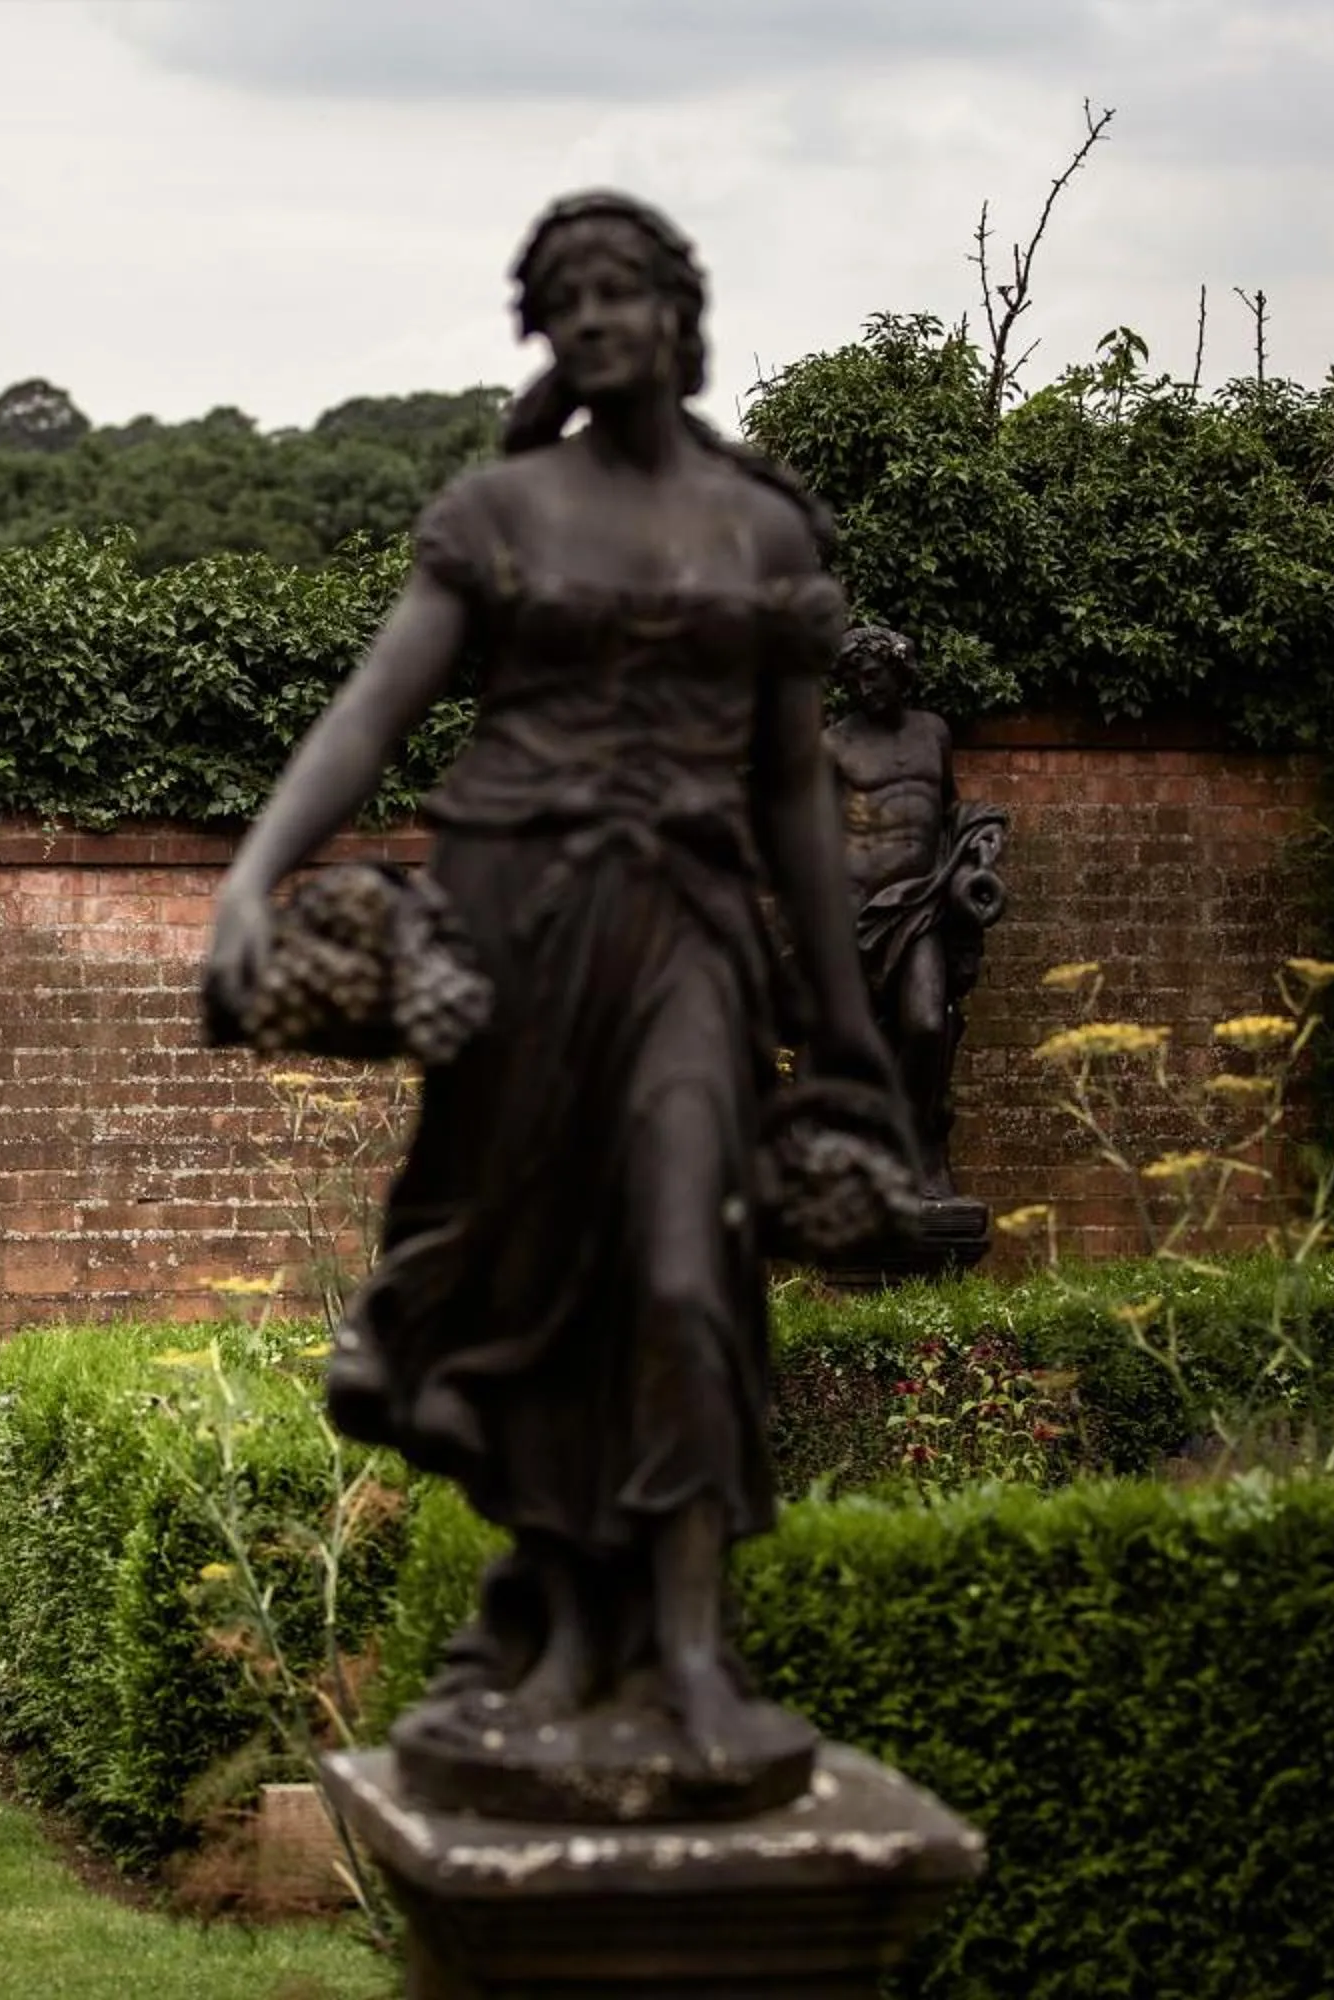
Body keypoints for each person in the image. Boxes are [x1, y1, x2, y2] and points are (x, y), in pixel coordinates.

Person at [203, 192, 910, 1810]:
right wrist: (252, 882)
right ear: (547, 332)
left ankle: (691, 1653)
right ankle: (574, 1637)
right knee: (534, 1289)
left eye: (620, 292)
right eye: (565, 298)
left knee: (680, 1268)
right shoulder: (501, 510)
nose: (594, 319)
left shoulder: (764, 528)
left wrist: (850, 1015)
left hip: (687, 932)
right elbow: (374, 715)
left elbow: (797, 793)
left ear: (676, 315)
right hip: (515, 924)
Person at [825, 624, 1009, 1201]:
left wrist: (977, 843)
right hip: (857, 914)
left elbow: (949, 808)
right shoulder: (833, 744)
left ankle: (914, 1144)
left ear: (899, 673)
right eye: (853, 679)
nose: (863, 687)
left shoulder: (934, 733)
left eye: (872, 675)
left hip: (922, 905)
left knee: (929, 1025)